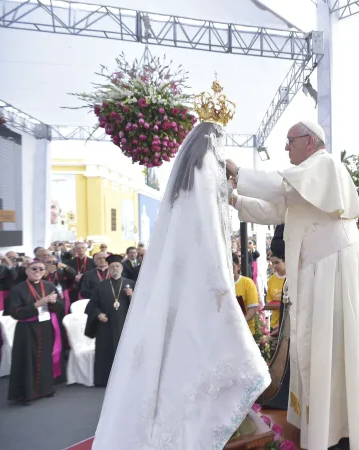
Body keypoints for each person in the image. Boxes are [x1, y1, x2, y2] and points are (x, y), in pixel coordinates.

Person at [91, 122, 270, 449]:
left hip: (179, 278)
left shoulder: (183, 185)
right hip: (200, 276)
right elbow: (209, 235)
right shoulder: (204, 176)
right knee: (204, 346)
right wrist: (219, 281)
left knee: (174, 347)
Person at [227, 120, 359, 450]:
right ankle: (326, 425)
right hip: (319, 269)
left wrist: (239, 173)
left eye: (290, 141)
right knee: (321, 348)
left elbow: (278, 188)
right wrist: (235, 199)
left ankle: (340, 428)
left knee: (335, 348)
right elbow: (272, 209)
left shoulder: (325, 164)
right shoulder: (302, 182)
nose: (286, 148)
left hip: (334, 267)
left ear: (310, 142)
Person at [4, 260, 64, 405]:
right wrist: (37, 304)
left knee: (45, 358)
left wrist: (53, 303)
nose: (38, 271)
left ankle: (46, 389)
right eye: (34, 268)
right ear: (27, 271)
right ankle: (27, 394)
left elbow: (61, 306)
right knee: (27, 361)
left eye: (41, 269)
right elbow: (15, 313)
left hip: (45, 327)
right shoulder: (17, 289)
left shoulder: (49, 286)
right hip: (27, 329)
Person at [83, 254, 134, 387]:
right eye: (112, 267)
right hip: (106, 325)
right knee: (105, 351)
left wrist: (132, 296)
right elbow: (92, 305)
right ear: (108, 269)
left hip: (125, 325)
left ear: (122, 268)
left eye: (117, 266)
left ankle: (126, 380)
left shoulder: (130, 284)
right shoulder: (102, 285)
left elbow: (141, 305)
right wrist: (98, 314)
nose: (114, 269)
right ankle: (104, 380)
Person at [231, 252, 261, 335]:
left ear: (238, 267)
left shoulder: (247, 283)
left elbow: (253, 309)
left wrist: (241, 323)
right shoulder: (221, 285)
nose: (229, 271)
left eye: (232, 267)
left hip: (245, 332)